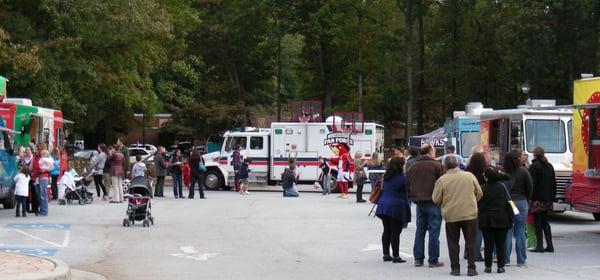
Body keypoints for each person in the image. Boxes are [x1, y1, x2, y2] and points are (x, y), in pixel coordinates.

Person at [433, 156, 483, 276]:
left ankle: (455, 268)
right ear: (458, 164)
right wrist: (472, 202)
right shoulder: (469, 176)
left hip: (451, 215)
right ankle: (471, 268)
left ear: (445, 166)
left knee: (453, 242)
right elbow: (480, 193)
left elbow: (435, 199)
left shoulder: (442, 180)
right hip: (469, 214)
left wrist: (445, 203)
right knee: (470, 241)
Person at [406, 144, 445, 268]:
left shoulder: (413, 166)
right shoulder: (437, 165)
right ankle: (433, 260)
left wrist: (412, 197)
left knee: (420, 230)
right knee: (434, 231)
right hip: (433, 202)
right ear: (430, 152)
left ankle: (418, 259)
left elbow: (408, 183)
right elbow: (443, 184)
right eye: (434, 150)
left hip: (419, 202)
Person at [375, 157, 411, 263]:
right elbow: (408, 191)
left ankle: (386, 254)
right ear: (400, 166)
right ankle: (396, 256)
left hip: (383, 205)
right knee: (396, 232)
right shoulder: (402, 178)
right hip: (396, 206)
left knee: (386, 230)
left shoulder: (386, 177)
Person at [478, 167, 513, 274]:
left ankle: (488, 266)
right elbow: (509, 200)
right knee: (500, 244)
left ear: (486, 177)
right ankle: (500, 266)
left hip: (486, 219)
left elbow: (478, 203)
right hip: (502, 218)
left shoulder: (482, 188)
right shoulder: (502, 187)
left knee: (488, 244)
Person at [503, 149, 533, 267]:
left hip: (509, 202)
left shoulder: (504, 172)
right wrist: (527, 198)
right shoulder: (523, 171)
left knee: (508, 230)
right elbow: (529, 187)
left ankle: (506, 260)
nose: (522, 157)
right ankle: (521, 260)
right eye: (521, 156)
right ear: (517, 159)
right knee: (520, 230)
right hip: (521, 202)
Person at [528, 147, 556, 253]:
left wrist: (530, 197)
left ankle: (539, 245)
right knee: (545, 222)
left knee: (537, 222)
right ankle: (550, 245)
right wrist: (552, 197)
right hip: (547, 199)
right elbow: (554, 182)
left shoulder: (533, 167)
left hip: (537, 199)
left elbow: (532, 184)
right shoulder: (549, 166)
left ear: (535, 155)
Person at [463, 152, 485, 262]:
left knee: (468, 230)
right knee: (477, 231)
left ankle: (467, 252)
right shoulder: (481, 176)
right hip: (478, 204)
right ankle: (476, 254)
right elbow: (481, 193)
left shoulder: (466, 172)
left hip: (466, 203)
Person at [35, 147, 53, 216]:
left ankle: (44, 211)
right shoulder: (45, 160)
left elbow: (50, 167)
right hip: (41, 177)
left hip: (44, 177)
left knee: (43, 194)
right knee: (41, 194)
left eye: (43, 154)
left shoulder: (47, 160)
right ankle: (42, 210)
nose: (41, 155)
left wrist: (45, 170)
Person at [19, 147, 37, 214]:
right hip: (24, 178)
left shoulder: (34, 158)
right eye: (26, 150)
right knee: (25, 193)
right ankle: (26, 208)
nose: (27, 151)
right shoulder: (22, 159)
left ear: (31, 151)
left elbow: (35, 167)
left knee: (34, 192)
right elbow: (20, 167)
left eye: (28, 150)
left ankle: (34, 208)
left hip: (32, 177)